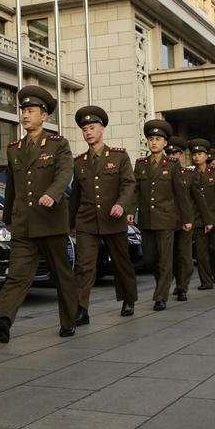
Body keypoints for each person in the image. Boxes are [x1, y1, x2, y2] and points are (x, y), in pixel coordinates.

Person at [0, 86, 77, 341]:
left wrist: (53, 193)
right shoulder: (14, 148)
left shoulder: (58, 144)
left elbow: (65, 172)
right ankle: (0, 319)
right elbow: (11, 185)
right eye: (23, 110)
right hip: (23, 223)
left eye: (31, 111)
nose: (25, 115)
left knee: (61, 274)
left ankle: (69, 319)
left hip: (51, 221)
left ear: (44, 116)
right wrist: (8, 219)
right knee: (18, 275)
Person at [68, 105, 137, 319]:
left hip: (113, 219)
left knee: (121, 263)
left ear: (102, 129)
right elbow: (75, 196)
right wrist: (70, 224)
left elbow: (129, 184)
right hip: (87, 222)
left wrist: (121, 204)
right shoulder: (79, 162)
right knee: (84, 266)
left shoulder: (119, 156)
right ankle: (81, 309)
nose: (88, 132)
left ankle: (128, 299)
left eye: (92, 127)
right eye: (84, 129)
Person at [134, 119, 192, 310]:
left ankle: (161, 296)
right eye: (151, 139)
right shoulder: (141, 164)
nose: (154, 142)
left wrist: (186, 219)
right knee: (151, 260)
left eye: (158, 139)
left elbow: (181, 194)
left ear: (165, 143)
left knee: (166, 259)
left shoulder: (173, 164)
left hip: (167, 219)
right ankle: (163, 283)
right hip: (146, 219)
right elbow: (136, 191)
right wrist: (129, 211)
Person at [167, 136, 205, 300]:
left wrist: (206, 220)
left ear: (181, 156)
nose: (173, 157)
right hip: (167, 222)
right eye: (169, 154)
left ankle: (183, 287)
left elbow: (199, 199)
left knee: (184, 256)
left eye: (176, 154)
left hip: (185, 222)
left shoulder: (188, 175)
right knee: (171, 257)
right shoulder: (160, 174)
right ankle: (178, 281)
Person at [188, 139, 215, 287]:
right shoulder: (190, 174)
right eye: (194, 155)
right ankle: (206, 281)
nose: (197, 157)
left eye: (200, 154)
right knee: (201, 254)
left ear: (206, 156)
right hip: (199, 219)